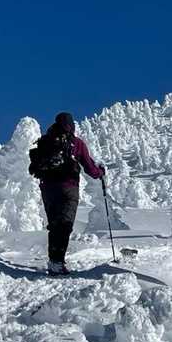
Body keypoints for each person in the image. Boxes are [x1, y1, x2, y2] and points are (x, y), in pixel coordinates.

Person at [28, 112, 105, 275]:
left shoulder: (46, 141)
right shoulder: (76, 143)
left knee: (54, 225)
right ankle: (57, 262)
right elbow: (90, 167)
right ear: (72, 125)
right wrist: (100, 172)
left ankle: (54, 261)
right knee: (64, 225)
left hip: (48, 189)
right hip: (68, 188)